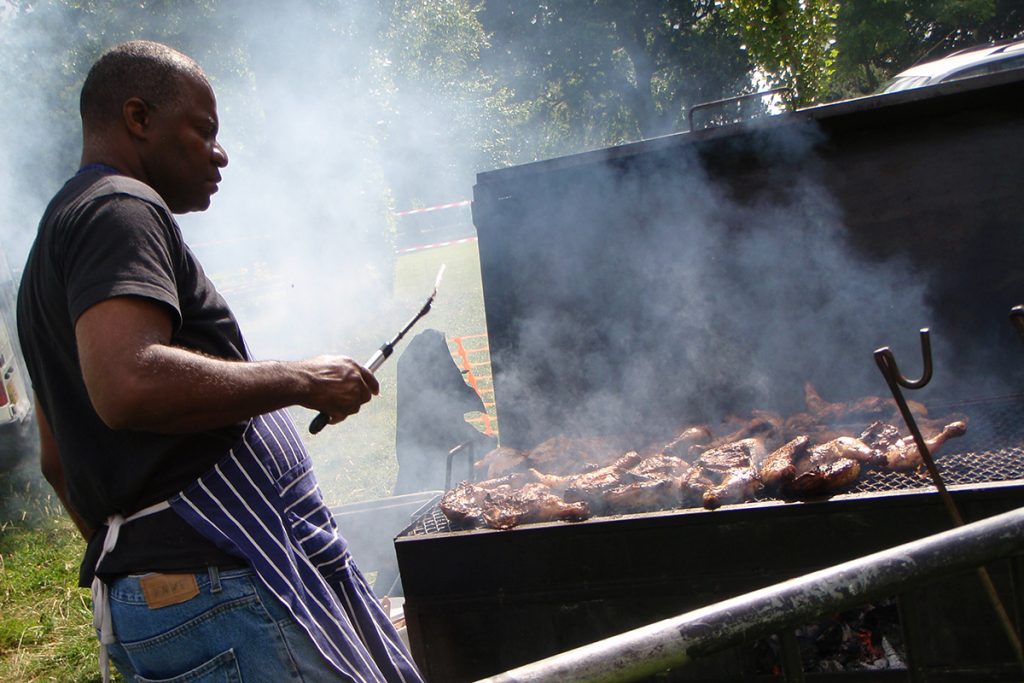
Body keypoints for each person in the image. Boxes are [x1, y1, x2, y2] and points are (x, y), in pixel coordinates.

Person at [16, 40, 424, 683]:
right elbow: (128, 382)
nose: (220, 152)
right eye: (202, 130)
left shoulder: (54, 245)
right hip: (220, 588)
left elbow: (56, 458)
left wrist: (142, 566)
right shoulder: (119, 208)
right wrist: (301, 379)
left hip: (180, 593)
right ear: (138, 118)